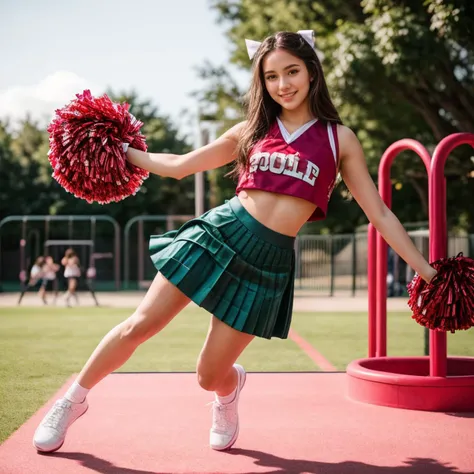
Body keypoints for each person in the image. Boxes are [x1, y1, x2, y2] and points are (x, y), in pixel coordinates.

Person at [33, 30, 437, 453]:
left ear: (313, 73)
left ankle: (228, 393)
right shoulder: (251, 129)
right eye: (272, 76)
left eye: (293, 71)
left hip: (268, 262)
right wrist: (113, 147)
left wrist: (426, 271)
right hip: (219, 234)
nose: (284, 84)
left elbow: (380, 214)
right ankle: (70, 402)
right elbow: (179, 166)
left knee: (209, 374)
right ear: (261, 83)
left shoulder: (340, 139)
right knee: (140, 325)